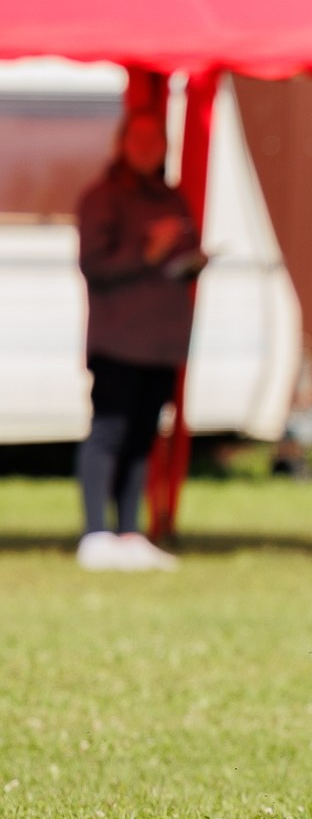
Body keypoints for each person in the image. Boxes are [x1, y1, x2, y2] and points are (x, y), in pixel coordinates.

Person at [74, 109, 205, 573]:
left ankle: (130, 532)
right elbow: (95, 265)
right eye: (140, 137)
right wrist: (145, 253)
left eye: (156, 138)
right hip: (117, 341)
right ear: (123, 142)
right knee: (107, 433)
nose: (149, 146)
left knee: (143, 439)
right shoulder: (103, 197)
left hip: (162, 342)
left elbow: (185, 253)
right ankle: (95, 533)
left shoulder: (171, 198)